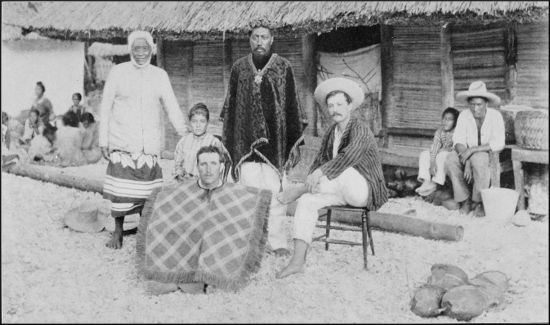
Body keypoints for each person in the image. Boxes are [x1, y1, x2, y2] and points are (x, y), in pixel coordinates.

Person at [275, 77, 388, 279]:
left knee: (343, 171)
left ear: (350, 106)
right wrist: (311, 177)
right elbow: (319, 161)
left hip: (363, 190)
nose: (335, 109)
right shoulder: (331, 133)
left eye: (339, 104)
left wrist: (308, 181)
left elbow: (347, 158)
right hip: (337, 189)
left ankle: (299, 190)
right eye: (331, 105)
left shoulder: (360, 129)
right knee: (308, 202)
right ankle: (297, 262)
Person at [221, 20, 308, 256]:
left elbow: (292, 107)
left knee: (276, 193)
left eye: (264, 37)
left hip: (275, 143)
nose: (260, 42)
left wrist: (293, 140)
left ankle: (277, 241)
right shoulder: (239, 68)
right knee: (245, 192)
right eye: (255, 37)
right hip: (244, 140)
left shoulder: (283, 67)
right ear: (249, 40)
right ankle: (244, 240)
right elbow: (231, 107)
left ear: (272, 40)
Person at [137, 145, 271, 295]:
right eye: (203, 164)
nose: (208, 169)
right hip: (191, 238)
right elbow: (170, 207)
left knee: (224, 234)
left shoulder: (233, 192)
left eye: (213, 164)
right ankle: (186, 280)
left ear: (221, 167)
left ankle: (198, 281)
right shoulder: (187, 189)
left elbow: (246, 212)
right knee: (180, 229)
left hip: (218, 241)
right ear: (197, 166)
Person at [99, 30, 187, 249]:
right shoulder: (118, 72)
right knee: (121, 190)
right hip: (122, 140)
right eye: (136, 49)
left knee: (147, 191)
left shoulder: (159, 75)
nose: (140, 53)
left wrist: (185, 134)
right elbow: (106, 106)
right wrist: (103, 140)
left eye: (145, 48)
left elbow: (171, 106)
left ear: (152, 49)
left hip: (149, 142)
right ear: (130, 49)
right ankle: (118, 232)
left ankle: (144, 231)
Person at [445, 81, 505, 217]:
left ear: (486, 104)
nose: (475, 108)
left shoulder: (495, 116)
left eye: (479, 104)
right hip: (465, 152)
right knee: (450, 159)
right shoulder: (464, 115)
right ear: (468, 104)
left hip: (486, 153)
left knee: (479, 159)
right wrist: (466, 160)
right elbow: (458, 140)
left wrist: (472, 151)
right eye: (472, 104)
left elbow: (499, 143)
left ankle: (478, 202)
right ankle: (464, 199)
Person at [173, 103, 226, 181]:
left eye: (202, 121)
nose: (198, 125)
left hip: (206, 183)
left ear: (207, 122)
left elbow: (219, 168)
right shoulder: (184, 141)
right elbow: (178, 164)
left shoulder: (214, 142)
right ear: (190, 122)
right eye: (194, 121)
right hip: (185, 182)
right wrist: (180, 175)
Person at [415, 107, 460, 197]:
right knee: (424, 154)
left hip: (453, 156)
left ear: (455, 121)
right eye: (444, 119)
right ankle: (426, 181)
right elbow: (435, 146)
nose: (446, 122)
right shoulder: (439, 132)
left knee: (442, 155)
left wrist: (445, 150)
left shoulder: (458, 131)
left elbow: (458, 147)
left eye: (450, 119)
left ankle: (435, 182)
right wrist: (432, 162)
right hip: (441, 153)